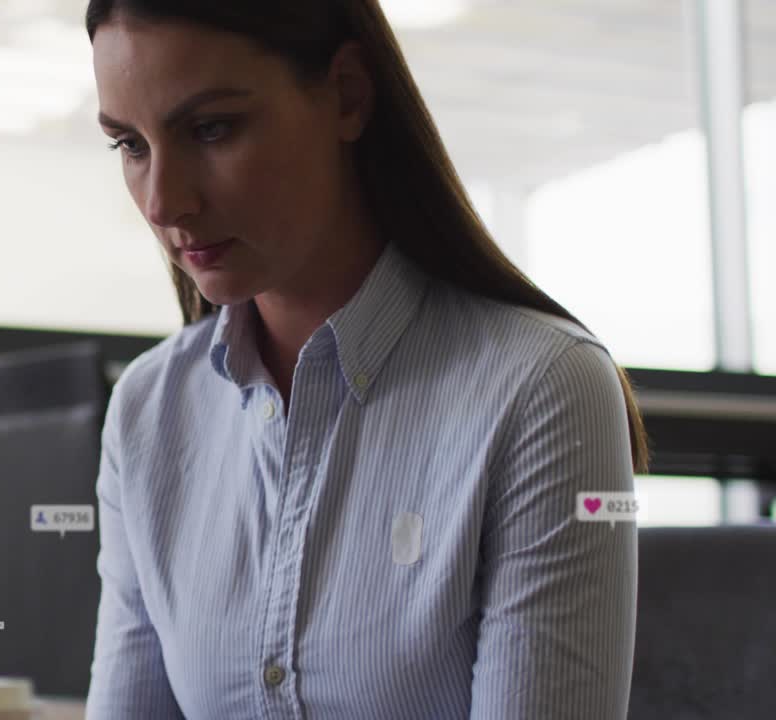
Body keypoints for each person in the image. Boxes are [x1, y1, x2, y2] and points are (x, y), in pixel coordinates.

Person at [83, 1, 649, 719]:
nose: (165, 200)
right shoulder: (148, 410)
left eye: (212, 128)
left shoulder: (541, 388)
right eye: (130, 146)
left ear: (348, 93)